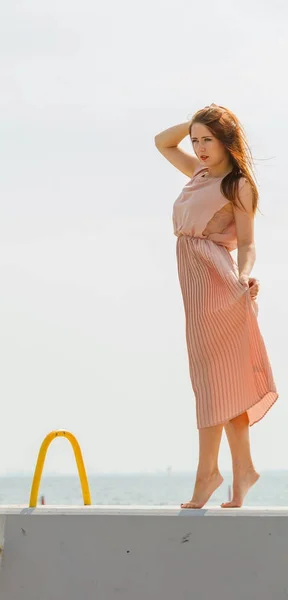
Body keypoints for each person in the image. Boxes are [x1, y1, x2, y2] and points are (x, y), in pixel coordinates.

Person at [154, 104, 278, 509]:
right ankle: (243, 470)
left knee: (212, 384)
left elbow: (247, 243)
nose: (201, 147)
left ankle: (208, 473)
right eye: (196, 140)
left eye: (209, 139)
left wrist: (243, 276)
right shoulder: (199, 173)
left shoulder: (238, 185)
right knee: (224, 384)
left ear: (227, 140)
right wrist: (193, 121)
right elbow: (161, 142)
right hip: (197, 284)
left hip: (220, 285)